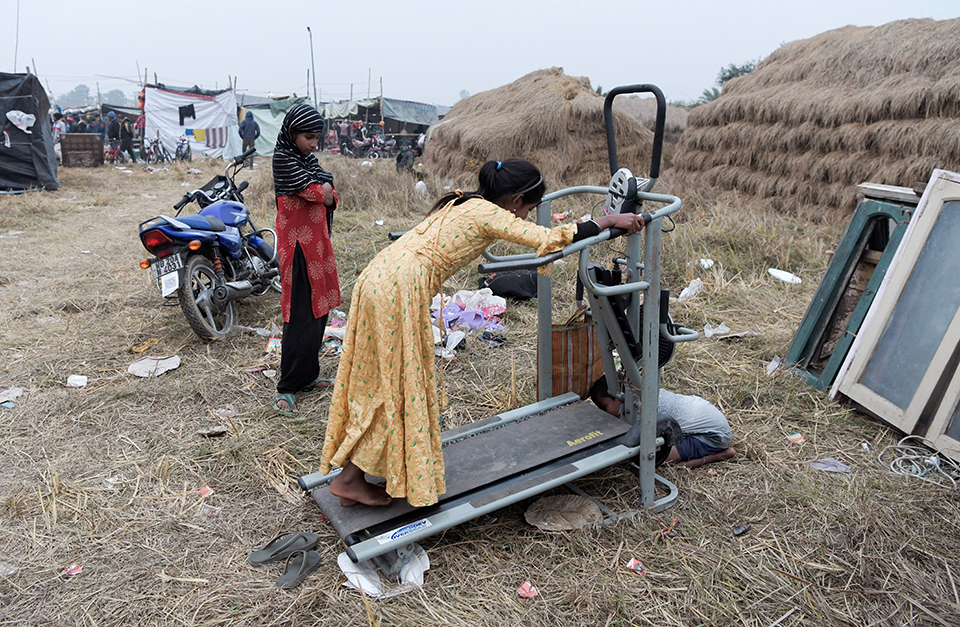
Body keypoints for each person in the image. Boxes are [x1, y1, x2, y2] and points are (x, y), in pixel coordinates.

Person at [320, 158, 648, 508]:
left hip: (378, 277)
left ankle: (356, 475)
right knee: (399, 383)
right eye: (529, 208)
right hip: (399, 289)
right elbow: (548, 238)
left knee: (378, 379)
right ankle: (350, 478)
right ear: (516, 200)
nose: (525, 216)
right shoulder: (488, 214)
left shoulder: (465, 202)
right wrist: (609, 221)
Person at [271, 104, 340, 418]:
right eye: (308, 137)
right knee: (299, 314)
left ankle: (309, 375)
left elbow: (330, 193)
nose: (314, 144)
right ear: (292, 133)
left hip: (318, 246)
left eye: (316, 138)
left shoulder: (307, 160)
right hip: (298, 247)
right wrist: (323, 190)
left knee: (318, 312)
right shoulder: (284, 159)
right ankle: (287, 386)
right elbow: (317, 193)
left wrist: (323, 190)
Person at [590, 376, 735, 469]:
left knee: (659, 460)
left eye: (604, 407)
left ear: (618, 397)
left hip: (713, 436)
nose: (604, 413)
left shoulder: (638, 409)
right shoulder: (644, 393)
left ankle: (720, 455)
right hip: (709, 417)